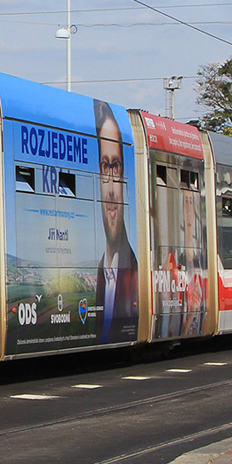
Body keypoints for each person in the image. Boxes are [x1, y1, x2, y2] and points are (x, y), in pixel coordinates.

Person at [94, 100, 138, 344]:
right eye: (104, 168)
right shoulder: (101, 274)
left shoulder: (136, 276)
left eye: (116, 167)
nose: (110, 189)